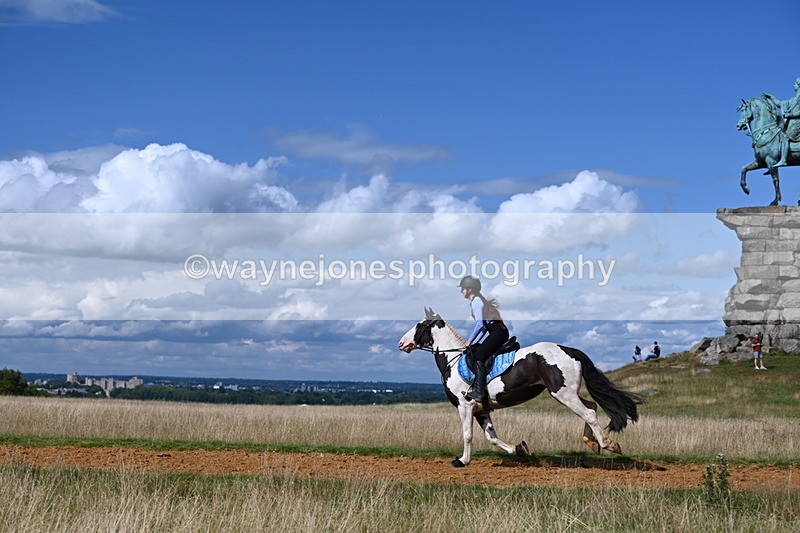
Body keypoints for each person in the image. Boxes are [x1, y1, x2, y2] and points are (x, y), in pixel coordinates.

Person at [458, 275, 509, 408]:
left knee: (478, 357)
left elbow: (480, 325)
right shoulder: (478, 301)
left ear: (469, 289)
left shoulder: (476, 301)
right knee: (479, 351)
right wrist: (476, 341)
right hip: (497, 332)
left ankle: (479, 392)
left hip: (497, 333)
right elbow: (484, 328)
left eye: (463, 288)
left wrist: (469, 341)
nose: (461, 291)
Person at [765, 77, 800, 169]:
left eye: (795, 84)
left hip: (796, 123)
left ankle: (783, 159)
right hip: (791, 122)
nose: (794, 86)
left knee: (784, 136)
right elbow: (781, 104)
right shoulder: (794, 99)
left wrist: (790, 115)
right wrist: (772, 98)